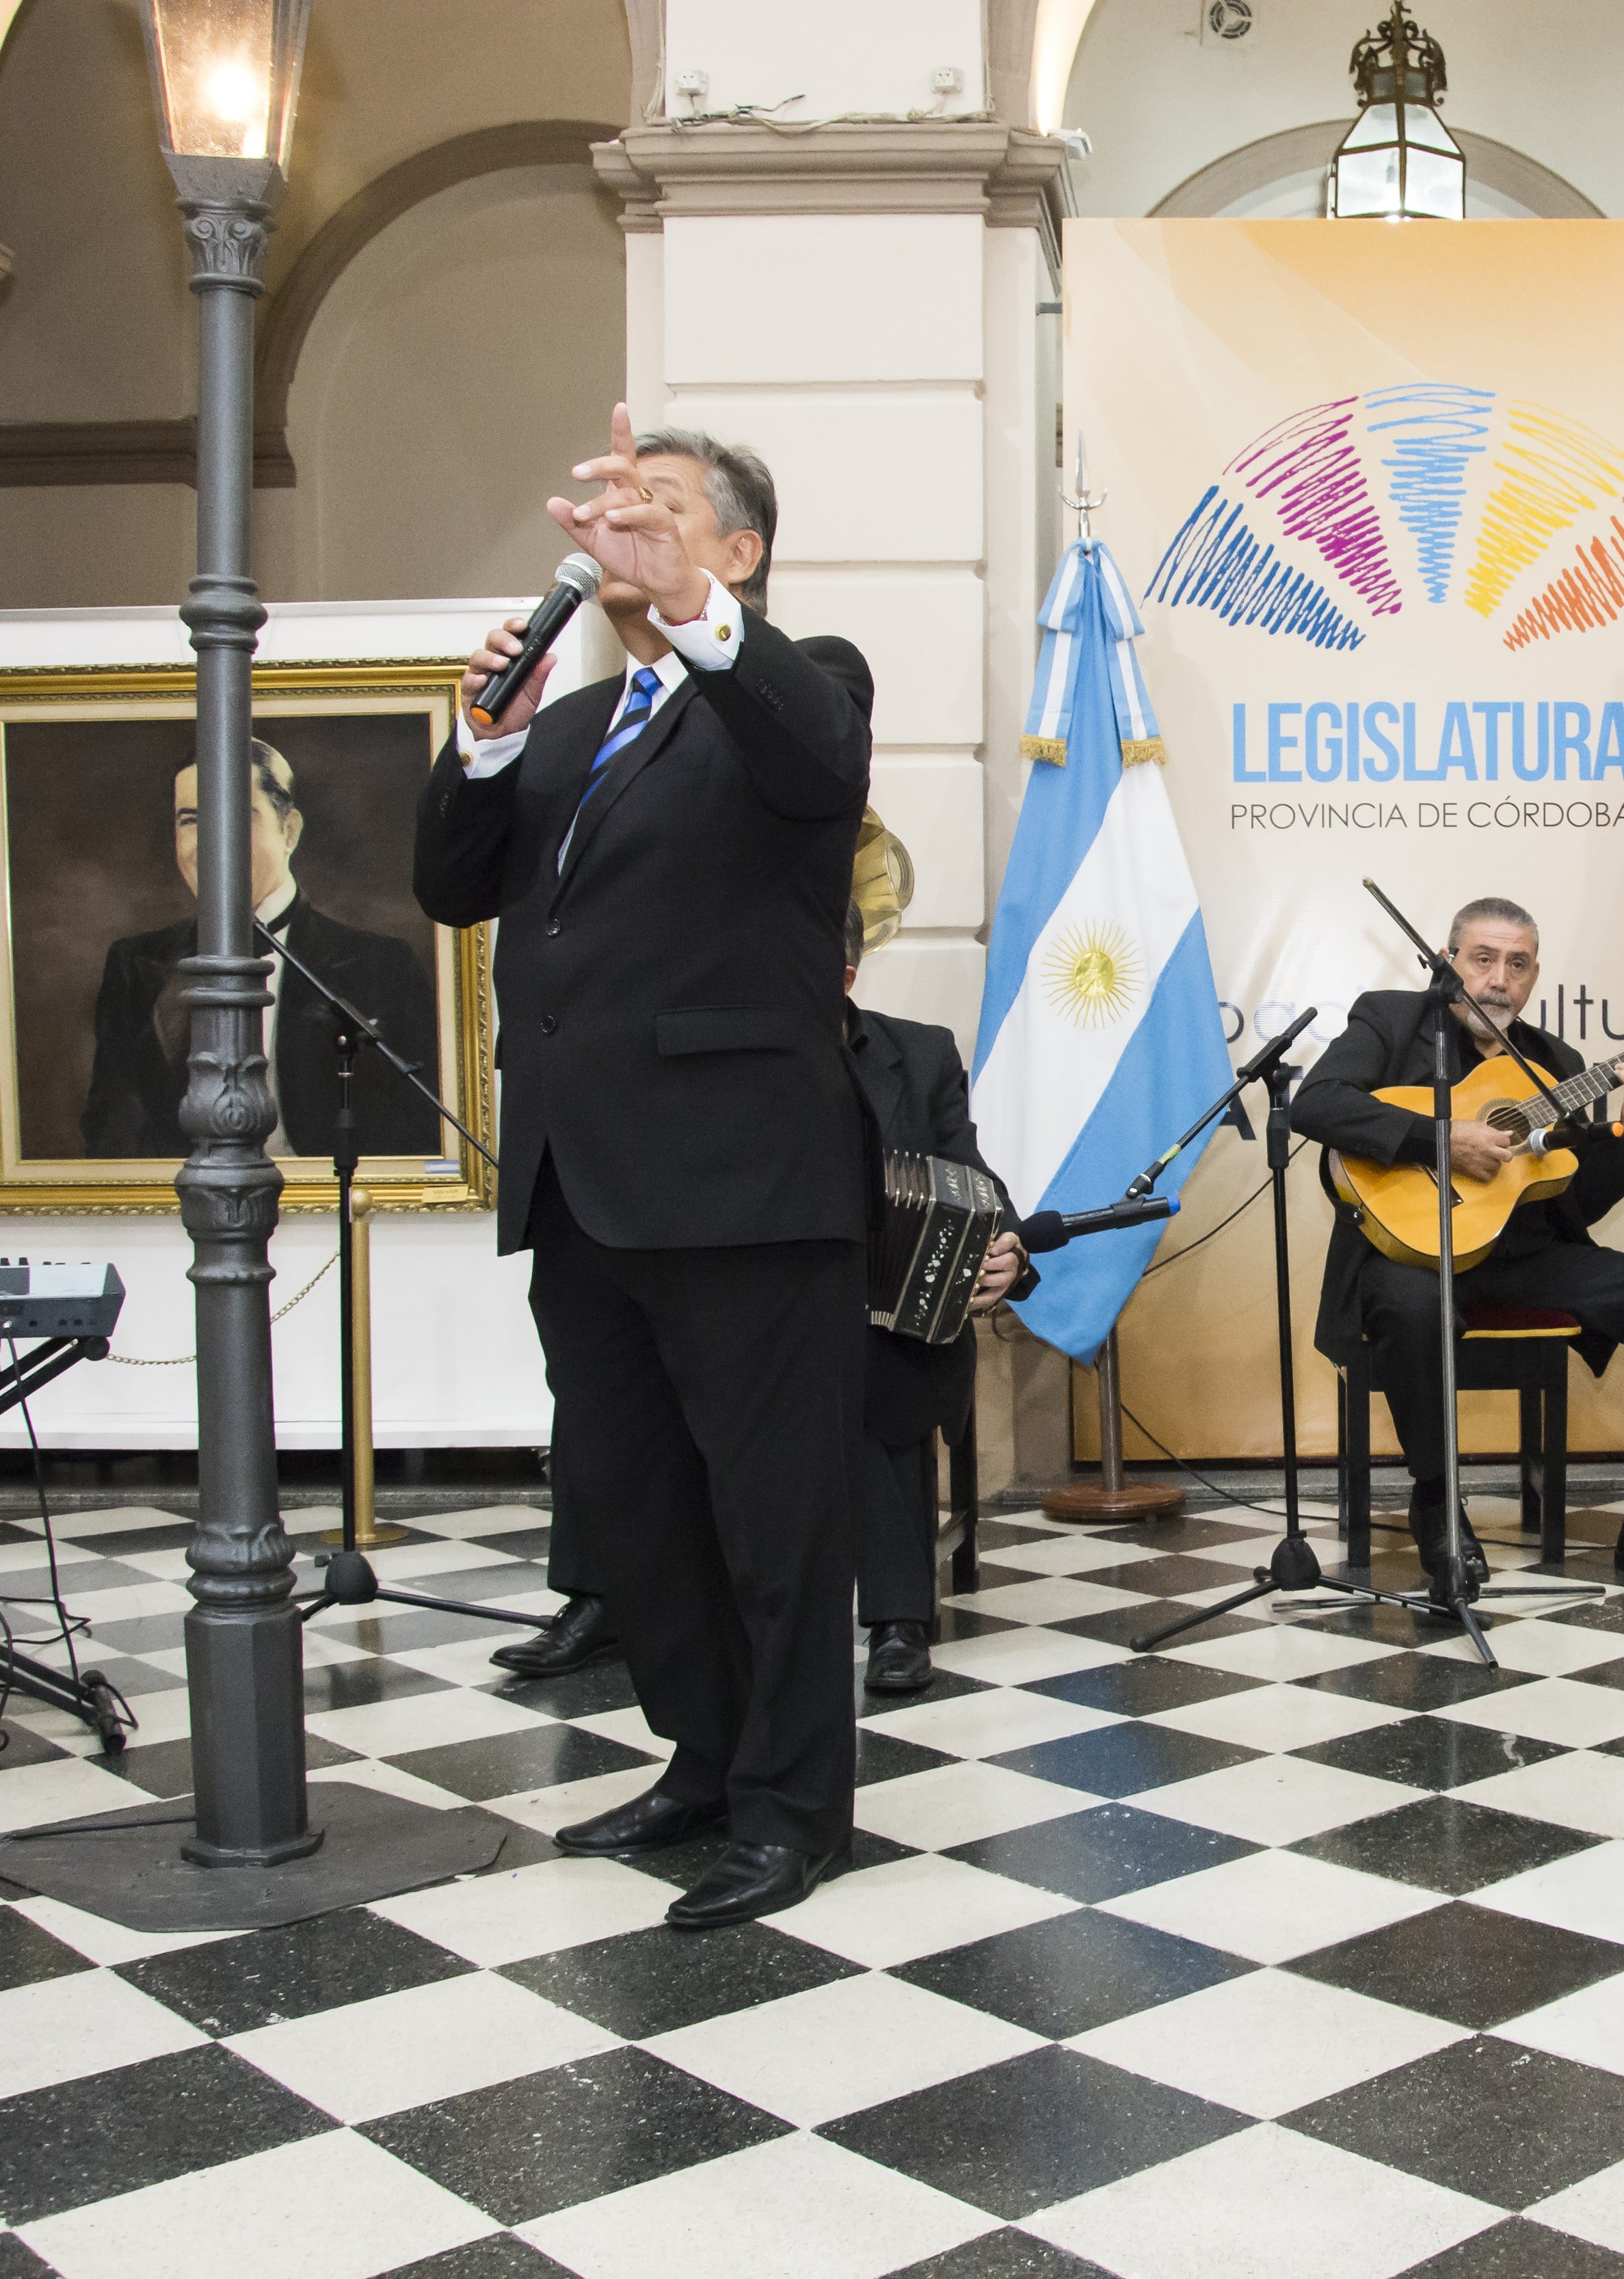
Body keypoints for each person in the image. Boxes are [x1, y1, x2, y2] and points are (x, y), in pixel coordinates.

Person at [414, 406, 873, 1930]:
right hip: (579, 1181)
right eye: (612, 510)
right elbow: (450, 885)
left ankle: (792, 1808)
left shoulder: (801, 683)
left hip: (744, 1185)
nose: (623, 530)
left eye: (661, 507)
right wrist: (484, 734)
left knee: (774, 1518)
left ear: (737, 550)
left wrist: (693, 613)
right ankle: (703, 1760)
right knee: (633, 1510)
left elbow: (814, 760)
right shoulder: (563, 728)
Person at [1292, 896, 1624, 1583]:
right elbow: (1317, 1102)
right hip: (1406, 1255)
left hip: (1521, 1257)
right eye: (1482, 959)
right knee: (1411, 1306)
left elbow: (1575, 1199)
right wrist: (1438, 1138)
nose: (1498, 980)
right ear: (1447, 962)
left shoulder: (1553, 1061)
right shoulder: (1389, 1019)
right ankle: (1437, 1502)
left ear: (1533, 977)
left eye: (1517, 964)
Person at [845, 900, 1036, 1690]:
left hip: (882, 1320)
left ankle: (897, 1621)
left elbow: (971, 1178)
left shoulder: (918, 1054)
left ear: (845, 973)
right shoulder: (730, 1066)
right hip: (764, 1313)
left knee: (881, 1357)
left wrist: (1008, 1249)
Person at [83, 740, 439, 1160]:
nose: (214, 842)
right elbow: (114, 1137)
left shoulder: (382, 966)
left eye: (238, 817)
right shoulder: (134, 966)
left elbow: (413, 1136)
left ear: (289, 832)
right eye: (192, 821)